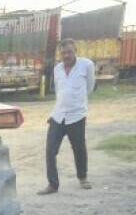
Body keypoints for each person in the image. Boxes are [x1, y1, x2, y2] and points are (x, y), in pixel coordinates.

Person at [39, 39, 95, 195]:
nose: (66, 55)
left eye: (69, 52)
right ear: (60, 54)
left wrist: (78, 104)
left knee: (79, 148)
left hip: (77, 115)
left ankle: (83, 178)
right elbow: (58, 91)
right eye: (63, 53)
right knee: (50, 149)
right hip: (58, 115)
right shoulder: (57, 69)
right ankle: (53, 184)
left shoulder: (86, 65)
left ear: (75, 50)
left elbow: (89, 87)